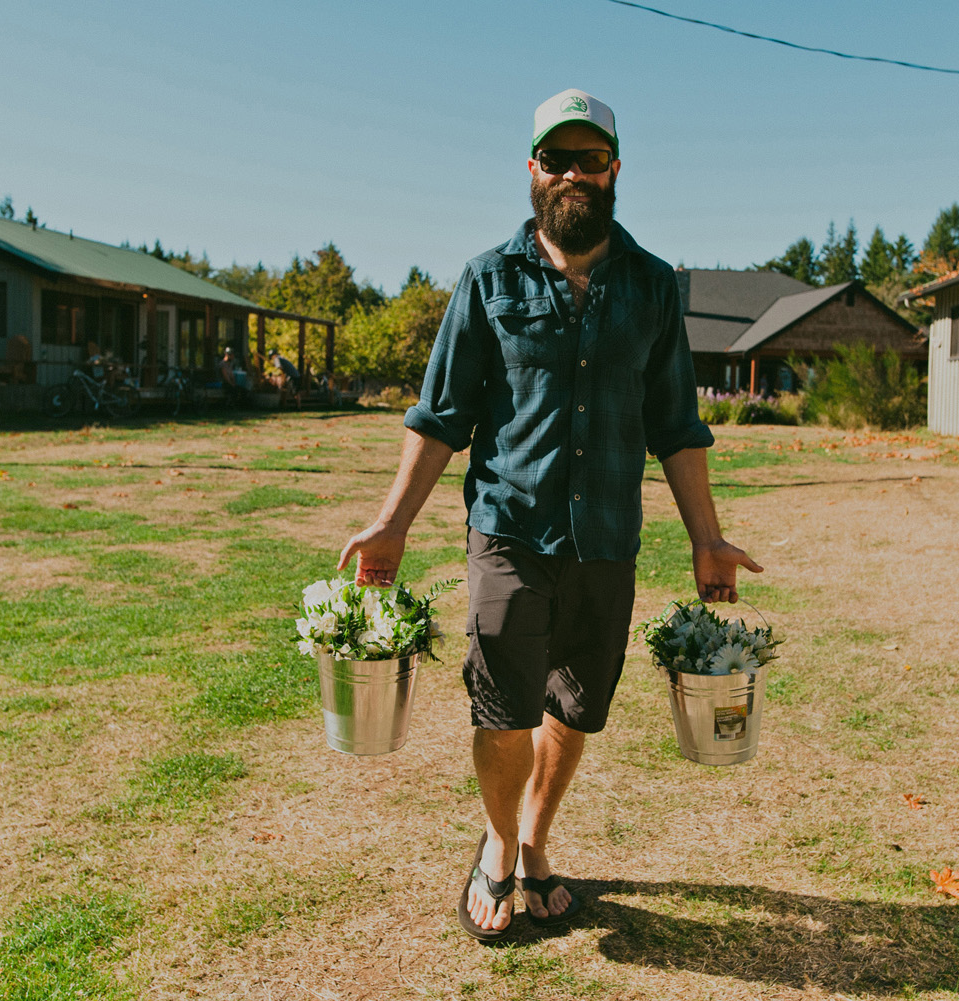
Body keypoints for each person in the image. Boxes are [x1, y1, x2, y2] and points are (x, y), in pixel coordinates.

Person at [337, 89, 762, 940]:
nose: (574, 173)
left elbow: (677, 424)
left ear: (614, 169)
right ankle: (498, 846)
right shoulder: (487, 279)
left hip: (605, 536)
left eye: (590, 159)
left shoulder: (650, 286)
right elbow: (439, 415)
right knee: (503, 709)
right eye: (556, 158)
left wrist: (707, 538)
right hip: (510, 531)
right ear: (531, 170)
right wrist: (391, 523)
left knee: (574, 706)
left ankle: (536, 836)